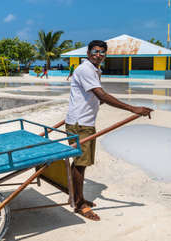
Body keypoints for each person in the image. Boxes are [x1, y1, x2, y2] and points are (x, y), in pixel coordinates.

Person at [65, 40, 153, 221]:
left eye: (102, 52)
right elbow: (101, 94)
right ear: (88, 52)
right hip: (80, 124)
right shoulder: (86, 70)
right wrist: (132, 108)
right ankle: (80, 204)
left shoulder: (94, 70)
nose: (99, 55)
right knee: (81, 164)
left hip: (83, 121)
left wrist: (99, 100)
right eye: (95, 51)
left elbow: (95, 95)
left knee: (79, 162)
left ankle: (76, 196)